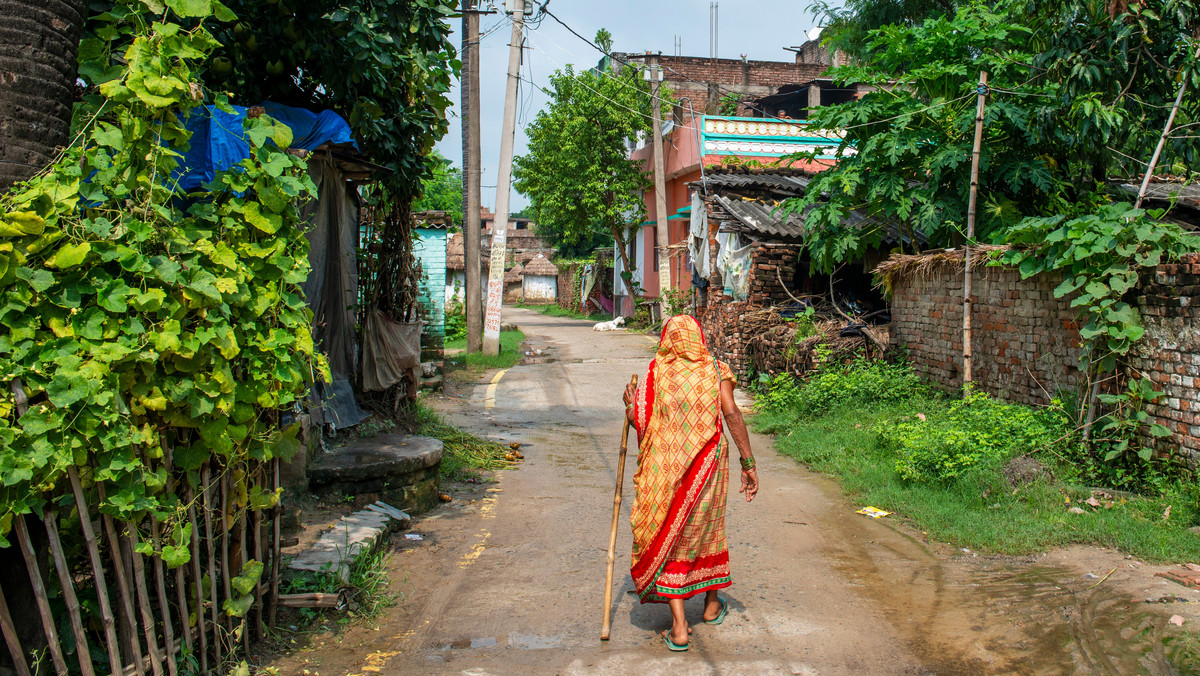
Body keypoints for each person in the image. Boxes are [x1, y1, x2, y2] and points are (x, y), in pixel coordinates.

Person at [622, 314, 759, 652]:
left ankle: (680, 626)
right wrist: (748, 462)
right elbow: (731, 413)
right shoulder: (715, 368)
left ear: (667, 338)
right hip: (708, 467)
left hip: (665, 471)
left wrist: (629, 404)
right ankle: (711, 606)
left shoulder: (657, 371)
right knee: (708, 530)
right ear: (698, 337)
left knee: (670, 535)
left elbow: (641, 420)